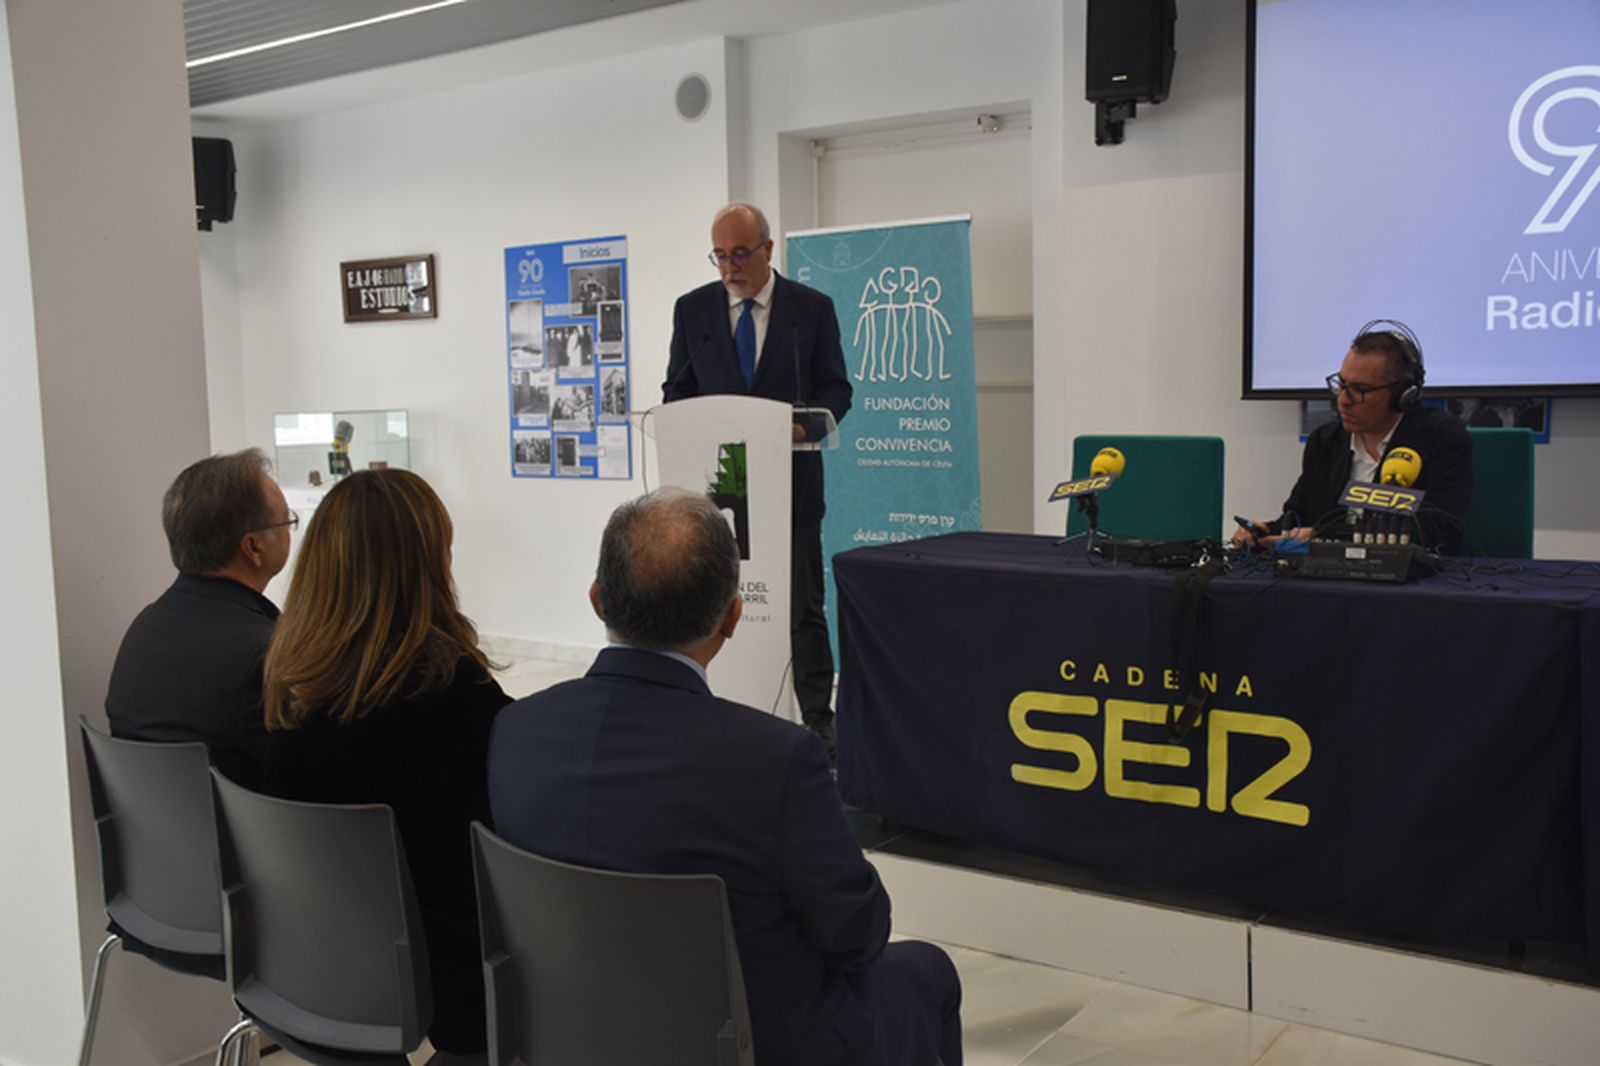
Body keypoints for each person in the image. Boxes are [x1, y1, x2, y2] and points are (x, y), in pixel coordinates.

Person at [488, 488, 962, 1066]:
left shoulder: (514, 731)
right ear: (732, 617)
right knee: (928, 972)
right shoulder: (776, 760)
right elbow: (859, 935)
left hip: (568, 1036)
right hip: (753, 1045)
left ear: (597, 600)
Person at [262, 469, 509, 1060]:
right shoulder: (453, 694)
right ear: (426, 567)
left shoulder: (285, 692)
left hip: (311, 966)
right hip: (447, 986)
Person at [662, 201, 853, 754]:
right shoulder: (692, 311)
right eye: (719, 256)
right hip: (718, 490)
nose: (729, 268)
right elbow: (676, 391)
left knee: (802, 607)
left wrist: (796, 428)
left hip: (789, 488)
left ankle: (817, 717)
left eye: (740, 254)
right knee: (711, 601)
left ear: (768, 250)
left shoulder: (810, 310)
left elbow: (837, 391)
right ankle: (715, 702)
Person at [106, 447, 291, 789]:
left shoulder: (143, 629)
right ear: (253, 547)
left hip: (161, 841)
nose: (290, 531)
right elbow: (308, 782)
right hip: (253, 841)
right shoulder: (265, 653)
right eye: (287, 520)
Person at [1235, 321, 1473, 554]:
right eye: (1341, 384)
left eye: (1360, 390)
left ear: (1403, 394)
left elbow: (1439, 532)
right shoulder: (1326, 441)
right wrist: (1263, 531)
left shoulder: (1439, 439)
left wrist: (1324, 535)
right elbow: (1297, 518)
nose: (1344, 400)